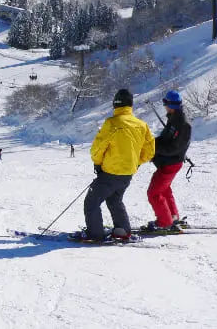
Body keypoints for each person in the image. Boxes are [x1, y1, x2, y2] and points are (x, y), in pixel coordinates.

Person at [82, 89, 155, 242]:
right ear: (130, 105)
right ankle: (122, 231)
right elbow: (149, 151)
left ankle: (95, 234)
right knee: (114, 200)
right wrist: (135, 162)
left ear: (115, 104)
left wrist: (98, 163)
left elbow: (98, 147)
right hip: (127, 173)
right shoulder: (142, 125)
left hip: (110, 172)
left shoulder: (112, 123)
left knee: (92, 201)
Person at [144, 90, 192, 232]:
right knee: (164, 189)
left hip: (171, 163)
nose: (164, 106)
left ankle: (164, 222)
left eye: (165, 103)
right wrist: (152, 143)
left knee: (154, 193)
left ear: (170, 105)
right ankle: (172, 216)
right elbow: (166, 139)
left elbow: (173, 148)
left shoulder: (182, 124)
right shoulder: (174, 120)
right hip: (169, 162)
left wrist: (155, 149)